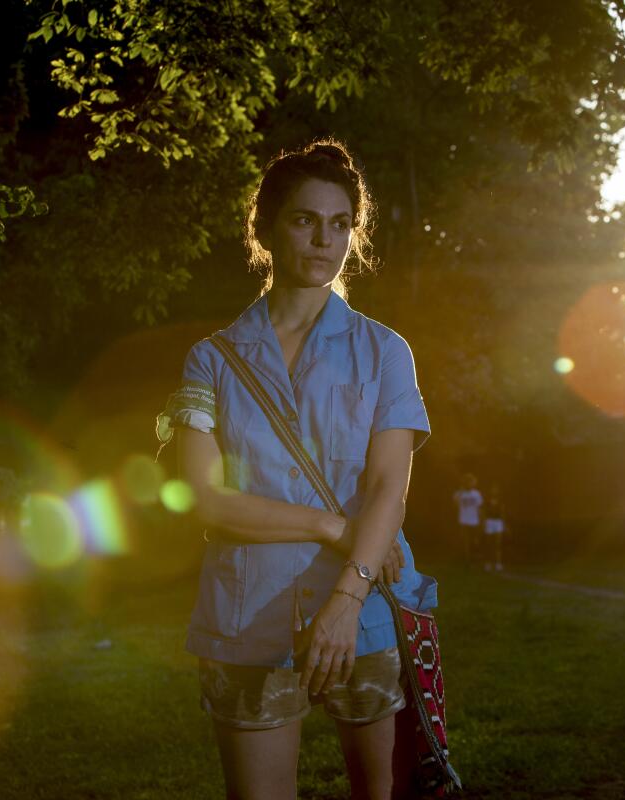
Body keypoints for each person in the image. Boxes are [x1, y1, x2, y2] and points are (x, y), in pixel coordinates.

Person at [157, 138, 436, 800]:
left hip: (365, 611)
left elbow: (387, 490)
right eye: (305, 220)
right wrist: (332, 527)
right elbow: (206, 499)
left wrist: (346, 597)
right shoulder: (211, 360)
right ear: (265, 227)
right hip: (246, 619)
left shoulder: (385, 351)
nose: (324, 240)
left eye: (340, 224)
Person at [451, 473, 482, 559]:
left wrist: (480, 519)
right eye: (468, 482)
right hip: (463, 520)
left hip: (474, 521)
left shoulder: (477, 494)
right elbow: (454, 504)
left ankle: (474, 557)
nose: (470, 484)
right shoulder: (459, 493)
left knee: (474, 540)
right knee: (465, 541)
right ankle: (466, 558)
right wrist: (461, 491)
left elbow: (479, 508)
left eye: (471, 482)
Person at [480, 484, 506, 571]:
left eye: (496, 489)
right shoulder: (486, 500)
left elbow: (502, 512)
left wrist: (503, 523)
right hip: (489, 521)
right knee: (489, 543)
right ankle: (488, 563)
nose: (494, 491)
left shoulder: (501, 500)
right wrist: (483, 522)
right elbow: (483, 512)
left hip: (498, 522)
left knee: (497, 544)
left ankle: (498, 563)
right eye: (492, 489)